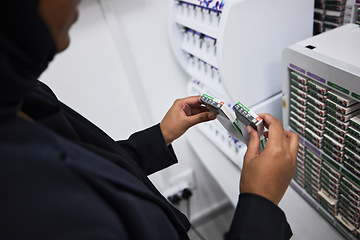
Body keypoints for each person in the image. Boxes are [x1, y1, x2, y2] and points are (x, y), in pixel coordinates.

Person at [0, 0, 299, 239]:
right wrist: (260, 201)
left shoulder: (23, 96)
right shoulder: (25, 203)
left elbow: (93, 165)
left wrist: (159, 136)